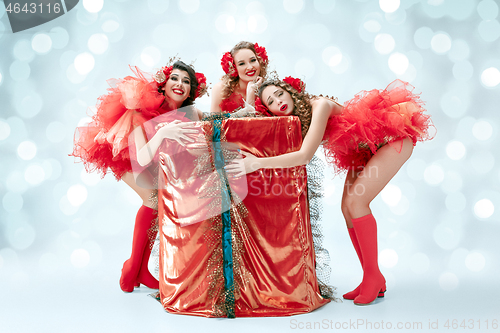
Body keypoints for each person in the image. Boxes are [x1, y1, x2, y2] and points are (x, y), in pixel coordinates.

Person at [225, 77, 434, 305]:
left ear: (290, 91)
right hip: (365, 152)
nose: (278, 101)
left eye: (279, 94)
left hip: (391, 141)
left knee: (356, 203)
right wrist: (251, 92)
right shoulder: (297, 121)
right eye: (271, 101)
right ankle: (372, 278)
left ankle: (373, 277)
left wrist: (257, 163)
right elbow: (250, 120)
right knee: (347, 208)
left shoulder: (319, 106)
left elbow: (303, 156)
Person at [71, 60, 207, 292]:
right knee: (153, 199)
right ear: (164, 84)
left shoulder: (190, 114)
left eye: (186, 82)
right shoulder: (141, 108)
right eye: (174, 78)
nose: (180, 84)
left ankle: (140, 270)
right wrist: (164, 132)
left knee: (160, 201)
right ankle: (133, 268)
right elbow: (142, 157)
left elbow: (211, 125)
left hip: (151, 158)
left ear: (191, 92)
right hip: (123, 153)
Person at [210, 41, 268, 114]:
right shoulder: (220, 89)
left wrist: (252, 91)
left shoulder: (267, 91)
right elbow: (212, 123)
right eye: (241, 64)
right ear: (234, 68)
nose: (250, 67)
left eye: (253, 60)